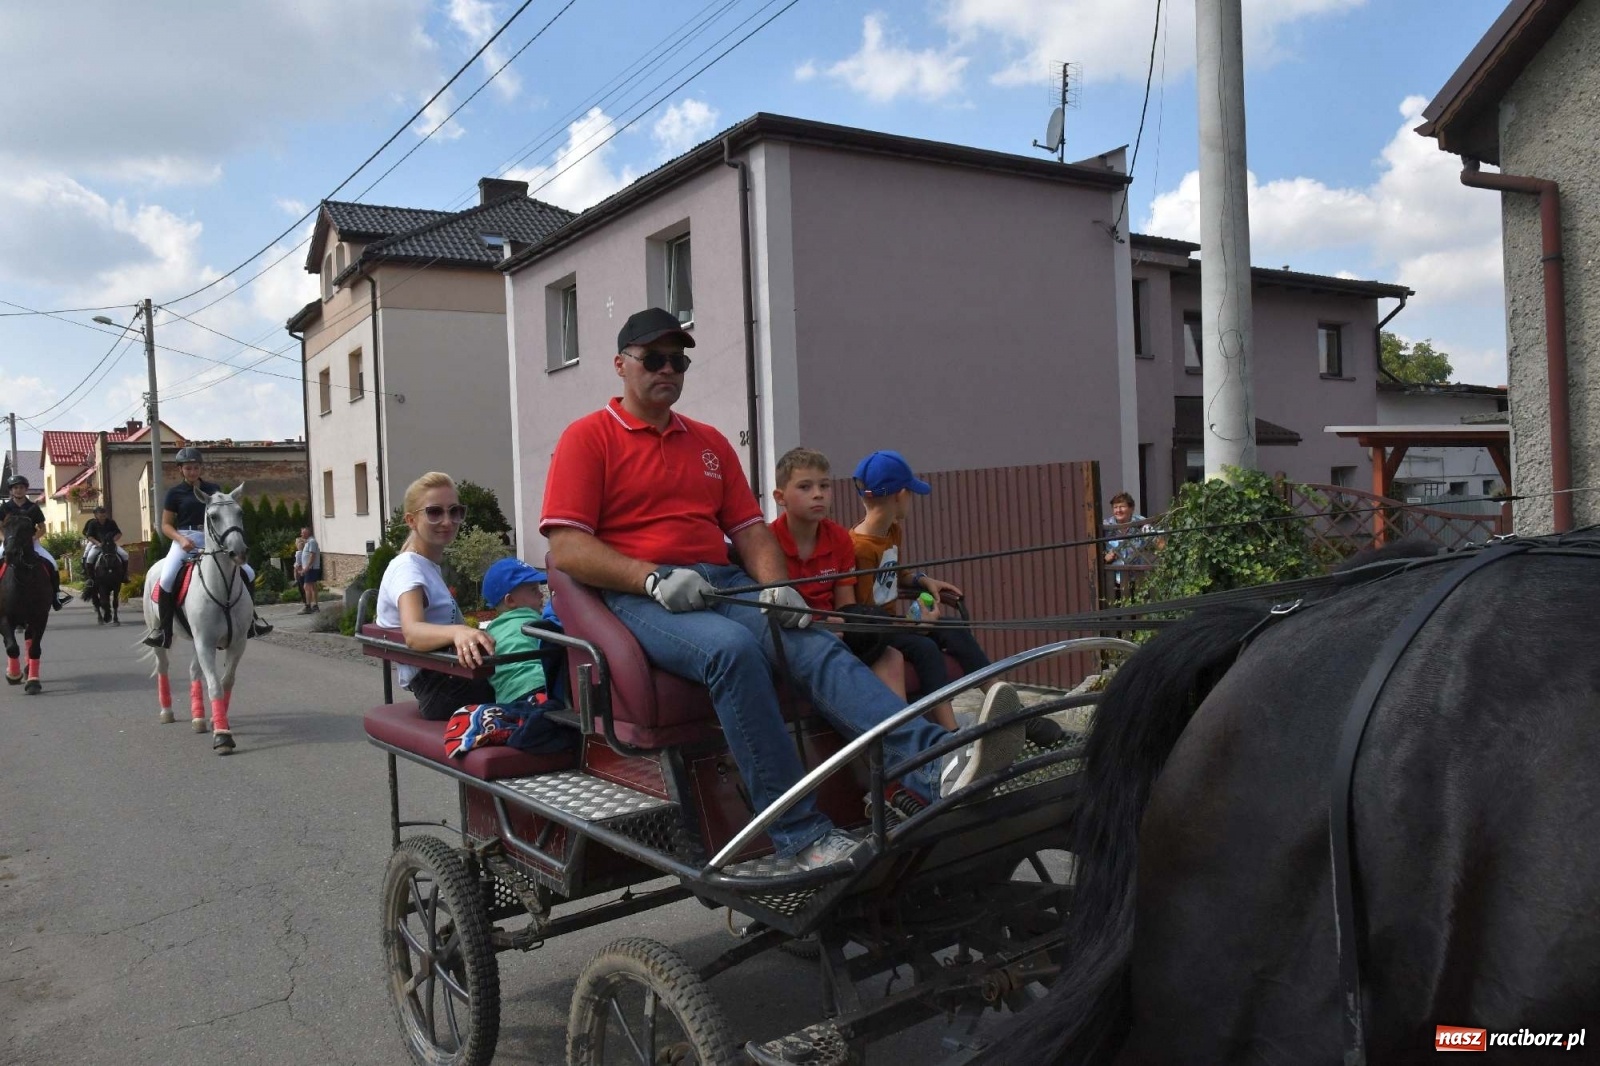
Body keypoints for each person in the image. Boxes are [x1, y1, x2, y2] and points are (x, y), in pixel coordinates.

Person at [541, 307, 1023, 871]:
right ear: (621, 365)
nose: (668, 369)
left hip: (722, 584)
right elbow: (568, 547)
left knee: (813, 641)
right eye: (654, 358)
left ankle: (932, 768)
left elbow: (747, 530)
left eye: (679, 359)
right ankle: (797, 835)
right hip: (642, 595)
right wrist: (650, 577)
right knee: (732, 651)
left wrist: (777, 589)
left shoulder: (709, 442)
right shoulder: (587, 438)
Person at [850, 450, 1040, 744]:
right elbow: (864, 612)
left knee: (954, 629)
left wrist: (924, 581)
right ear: (901, 495)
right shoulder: (859, 548)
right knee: (924, 647)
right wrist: (914, 625)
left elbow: (895, 574)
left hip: (891, 623)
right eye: (911, 493)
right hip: (875, 631)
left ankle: (1007, 703)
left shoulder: (891, 531)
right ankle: (951, 734)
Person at [768, 446, 908, 701]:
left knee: (892, 654)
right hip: (793, 636)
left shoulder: (840, 538)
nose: (818, 495)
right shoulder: (767, 542)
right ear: (780, 497)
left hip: (835, 630)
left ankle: (908, 735)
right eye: (805, 487)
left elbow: (846, 606)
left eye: (824, 486)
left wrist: (840, 624)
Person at [376, 471, 497, 721]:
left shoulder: (425, 565)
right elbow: (413, 633)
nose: (448, 520)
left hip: (451, 676)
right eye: (434, 512)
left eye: (455, 511)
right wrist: (458, 632)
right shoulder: (408, 568)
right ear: (411, 520)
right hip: (444, 688)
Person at [141, 447, 273, 647]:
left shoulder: (213, 489)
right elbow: (166, 525)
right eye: (188, 468)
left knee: (248, 571)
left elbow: (224, 516)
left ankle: (251, 621)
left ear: (200, 468)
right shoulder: (174, 493)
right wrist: (181, 539)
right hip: (184, 540)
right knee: (167, 578)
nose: (192, 472)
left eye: (195, 468)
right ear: (181, 470)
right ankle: (163, 631)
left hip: (212, 539)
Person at [442, 557, 572, 758]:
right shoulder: (535, 623)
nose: (541, 595)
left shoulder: (491, 630)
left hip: (508, 697)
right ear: (510, 600)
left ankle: (517, 721)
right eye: (533, 590)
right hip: (538, 687)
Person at [0, 475, 70, 609]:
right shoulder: (5, 508)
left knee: (53, 564)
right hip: (9, 542)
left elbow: (42, 528)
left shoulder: (33, 507)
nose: (18, 490)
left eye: (21, 487)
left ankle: (56, 596)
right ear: (11, 490)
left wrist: (33, 538)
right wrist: (5, 539)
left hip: (30, 543)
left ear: (26, 489)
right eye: (15, 488)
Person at [1102, 492, 1160, 570]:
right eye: (1115, 507)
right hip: (1113, 577)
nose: (1118, 510)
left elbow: (1157, 541)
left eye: (1122, 506)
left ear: (1131, 508)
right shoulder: (1106, 525)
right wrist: (1105, 558)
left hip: (1137, 575)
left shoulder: (1141, 522)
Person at [81, 505, 128, 570]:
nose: (103, 515)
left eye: (104, 513)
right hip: (98, 545)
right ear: (96, 515)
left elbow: (119, 533)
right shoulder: (92, 523)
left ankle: (124, 575)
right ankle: (90, 577)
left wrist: (112, 540)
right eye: (101, 513)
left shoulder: (111, 522)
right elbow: (89, 536)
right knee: (90, 557)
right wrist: (98, 543)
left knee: (125, 555)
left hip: (110, 545)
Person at [297, 526, 322, 613]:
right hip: (310, 568)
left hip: (311, 568)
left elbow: (312, 555)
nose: (301, 534)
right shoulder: (308, 542)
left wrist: (307, 567)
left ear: (307, 533)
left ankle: (308, 606)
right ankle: (315, 606)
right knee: (312, 586)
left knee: (307, 586)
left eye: (302, 533)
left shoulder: (312, 542)